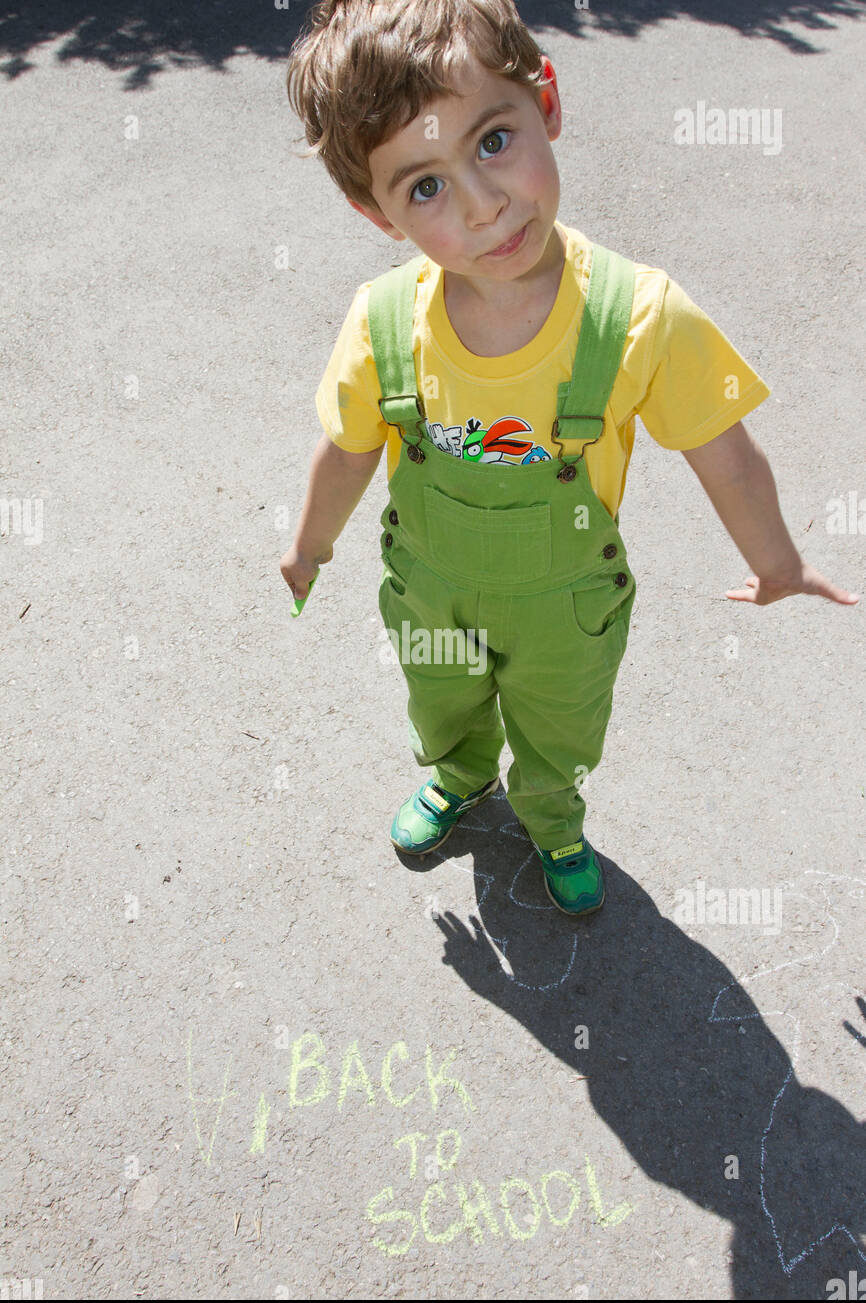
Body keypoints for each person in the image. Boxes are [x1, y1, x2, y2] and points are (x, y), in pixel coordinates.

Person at [279, 0, 858, 917]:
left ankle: (552, 816)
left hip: (567, 606)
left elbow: (729, 458)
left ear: (545, 98)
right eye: (423, 187)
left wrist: (777, 563)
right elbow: (348, 452)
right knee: (441, 698)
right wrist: (309, 545)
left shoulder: (640, 318)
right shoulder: (382, 325)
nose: (483, 203)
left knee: (560, 721)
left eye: (493, 140)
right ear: (374, 211)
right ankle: (462, 776)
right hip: (431, 590)